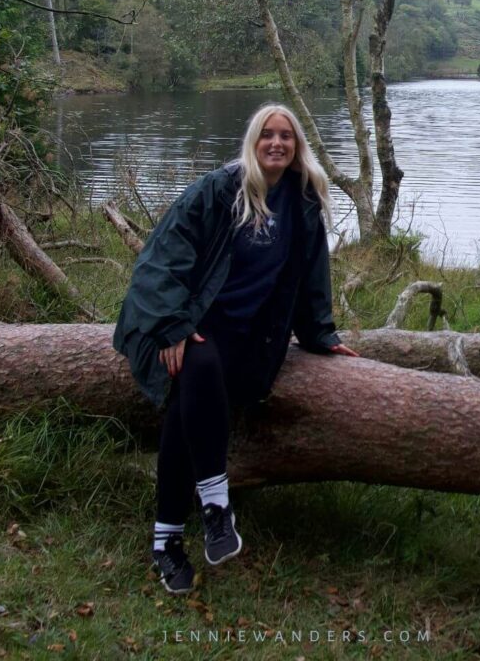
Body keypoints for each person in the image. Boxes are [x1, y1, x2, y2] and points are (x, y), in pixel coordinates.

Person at [113, 103, 358, 594]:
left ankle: (168, 540)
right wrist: (172, 326)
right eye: (267, 134)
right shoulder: (220, 189)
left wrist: (321, 335)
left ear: (297, 146)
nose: (276, 143)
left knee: (191, 399)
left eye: (285, 136)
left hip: (250, 340)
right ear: (252, 141)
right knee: (195, 372)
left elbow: (311, 276)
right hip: (191, 323)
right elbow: (162, 259)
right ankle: (213, 506)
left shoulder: (302, 198)